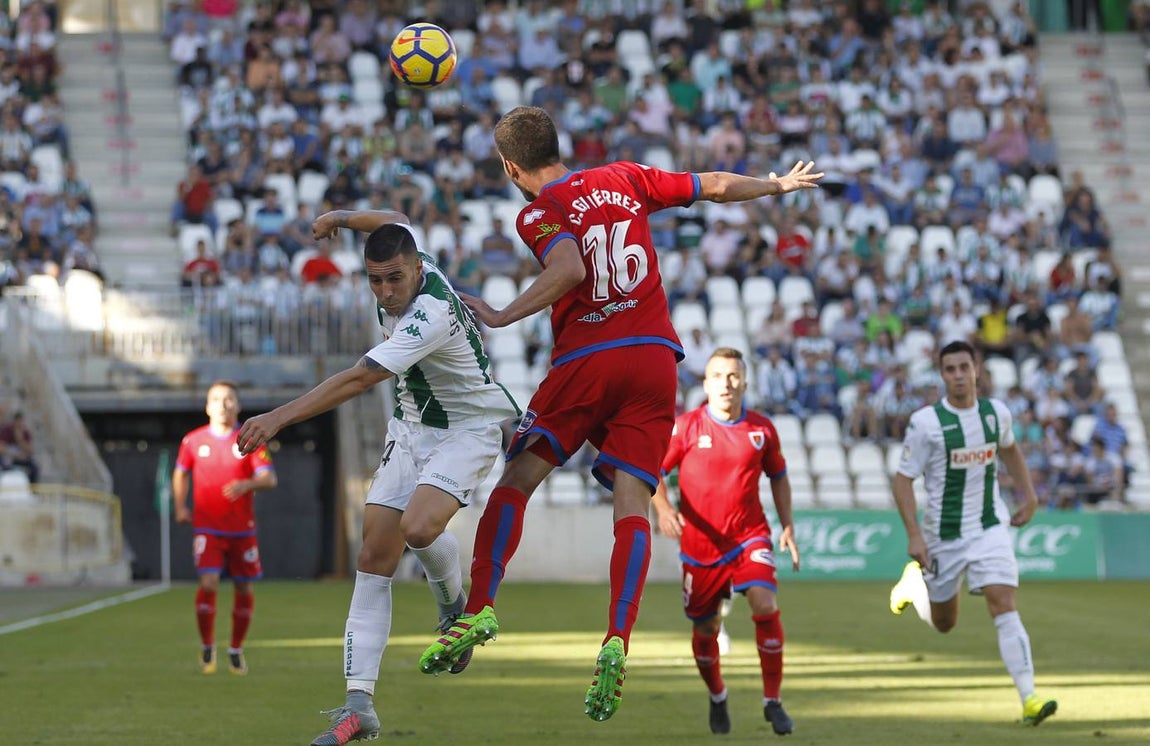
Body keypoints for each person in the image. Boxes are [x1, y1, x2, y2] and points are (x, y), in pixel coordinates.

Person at [418, 105, 821, 721]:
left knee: (518, 480)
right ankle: (616, 639)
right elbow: (713, 186)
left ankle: (479, 609)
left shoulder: (537, 211)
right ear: (562, 146)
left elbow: (570, 267)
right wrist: (777, 184)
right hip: (655, 361)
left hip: (588, 358)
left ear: (510, 166)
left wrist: (501, 314)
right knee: (631, 505)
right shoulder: (625, 176)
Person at [235, 208, 520, 746]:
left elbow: (360, 378)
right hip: (411, 428)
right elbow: (393, 218)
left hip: (468, 427)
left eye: (395, 278)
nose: (386, 291)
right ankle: (358, 704)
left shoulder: (429, 313)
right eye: (375, 280)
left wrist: (277, 417)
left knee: (417, 529)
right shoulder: (410, 256)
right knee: (373, 558)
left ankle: (451, 604)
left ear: (417, 270)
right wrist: (340, 218)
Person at [889, 340, 1058, 727]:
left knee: (1003, 601)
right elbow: (902, 481)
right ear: (942, 374)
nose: (959, 376)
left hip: (989, 525)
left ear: (976, 369)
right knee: (945, 623)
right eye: (950, 370)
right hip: (942, 535)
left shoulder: (996, 414)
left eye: (964, 367)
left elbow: (1011, 450)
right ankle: (915, 591)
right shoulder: (926, 423)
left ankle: (1030, 698)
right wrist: (914, 535)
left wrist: (1028, 497)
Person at [651, 348, 800, 736]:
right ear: (706, 383)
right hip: (701, 549)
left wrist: (786, 525)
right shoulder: (686, 428)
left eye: (733, 376)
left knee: (765, 604)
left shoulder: (762, 429)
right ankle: (717, 696)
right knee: (705, 627)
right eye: (718, 376)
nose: (726, 384)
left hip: (749, 535)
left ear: (745, 383)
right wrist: (664, 510)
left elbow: (779, 476)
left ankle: (773, 701)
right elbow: (655, 473)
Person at [173, 381, 278, 677]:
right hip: (207, 528)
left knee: (243, 587)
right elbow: (180, 473)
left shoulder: (249, 439)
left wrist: (248, 484)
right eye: (216, 399)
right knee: (208, 583)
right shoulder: (192, 441)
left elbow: (269, 479)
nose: (223, 404)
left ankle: (235, 648)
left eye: (229, 398)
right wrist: (181, 506)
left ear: (238, 405)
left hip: (242, 530)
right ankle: (207, 645)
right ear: (207, 406)